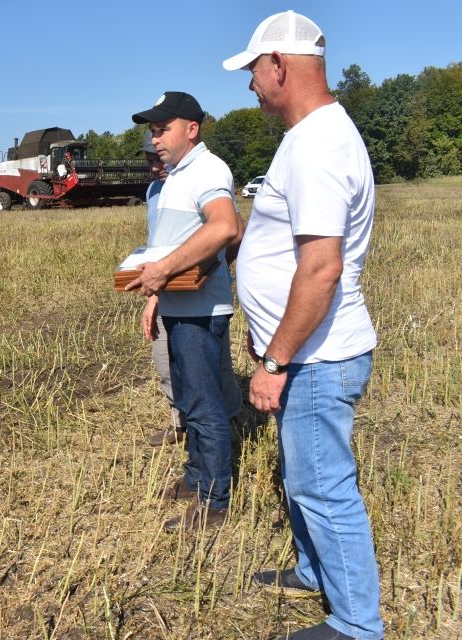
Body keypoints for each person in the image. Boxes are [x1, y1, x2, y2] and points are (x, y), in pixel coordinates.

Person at [223, 11, 383, 640]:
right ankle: (315, 570)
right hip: (304, 350)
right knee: (302, 472)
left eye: (254, 72)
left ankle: (356, 625)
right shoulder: (313, 136)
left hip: (316, 355)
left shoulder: (316, 146)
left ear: (280, 66)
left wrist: (275, 360)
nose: (251, 86)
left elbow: (320, 270)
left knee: (323, 485)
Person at [125, 92, 243, 531]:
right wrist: (157, 291)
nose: (154, 139)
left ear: (192, 129)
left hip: (200, 308)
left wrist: (165, 272)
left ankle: (214, 501)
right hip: (178, 304)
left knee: (204, 402)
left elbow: (227, 228)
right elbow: (171, 243)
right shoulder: (174, 176)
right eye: (152, 131)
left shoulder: (208, 170)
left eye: (162, 129)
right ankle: (197, 477)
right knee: (192, 398)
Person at [140, 130, 242, 448]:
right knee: (167, 363)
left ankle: (229, 424)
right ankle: (182, 423)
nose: (155, 165)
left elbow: (234, 232)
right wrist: (155, 292)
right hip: (165, 289)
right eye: (148, 160)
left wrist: (216, 270)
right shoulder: (154, 191)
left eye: (158, 158)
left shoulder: (198, 179)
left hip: (201, 296)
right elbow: (158, 245)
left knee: (215, 367)